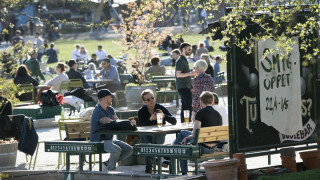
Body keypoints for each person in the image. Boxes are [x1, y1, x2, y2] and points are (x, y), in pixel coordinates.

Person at [173, 91, 222, 175]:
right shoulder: (218, 115)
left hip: (202, 149)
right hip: (213, 148)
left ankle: (174, 153)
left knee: (182, 143)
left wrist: (187, 138)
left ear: (201, 101)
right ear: (213, 101)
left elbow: (195, 134)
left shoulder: (200, 113)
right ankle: (173, 150)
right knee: (183, 133)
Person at [90, 89, 134, 171]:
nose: (112, 98)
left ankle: (108, 162)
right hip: (98, 140)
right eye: (111, 97)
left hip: (109, 140)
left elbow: (117, 121)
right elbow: (107, 121)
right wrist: (124, 123)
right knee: (116, 150)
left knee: (129, 150)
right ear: (105, 98)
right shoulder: (97, 110)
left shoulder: (110, 109)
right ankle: (111, 170)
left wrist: (129, 123)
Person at [138, 89, 177, 173]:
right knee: (147, 142)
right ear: (144, 102)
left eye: (152, 98)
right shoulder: (141, 111)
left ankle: (154, 160)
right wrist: (150, 119)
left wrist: (164, 116)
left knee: (150, 144)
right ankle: (152, 164)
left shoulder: (160, 108)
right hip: (147, 135)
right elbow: (141, 126)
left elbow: (174, 121)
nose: (151, 100)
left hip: (159, 135)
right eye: (148, 99)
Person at [175, 43, 195, 123]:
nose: (190, 51)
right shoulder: (180, 60)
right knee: (189, 106)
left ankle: (184, 124)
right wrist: (190, 73)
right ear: (183, 49)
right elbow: (178, 74)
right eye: (188, 49)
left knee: (185, 107)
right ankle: (187, 124)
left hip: (186, 86)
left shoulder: (184, 59)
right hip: (182, 87)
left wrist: (191, 86)